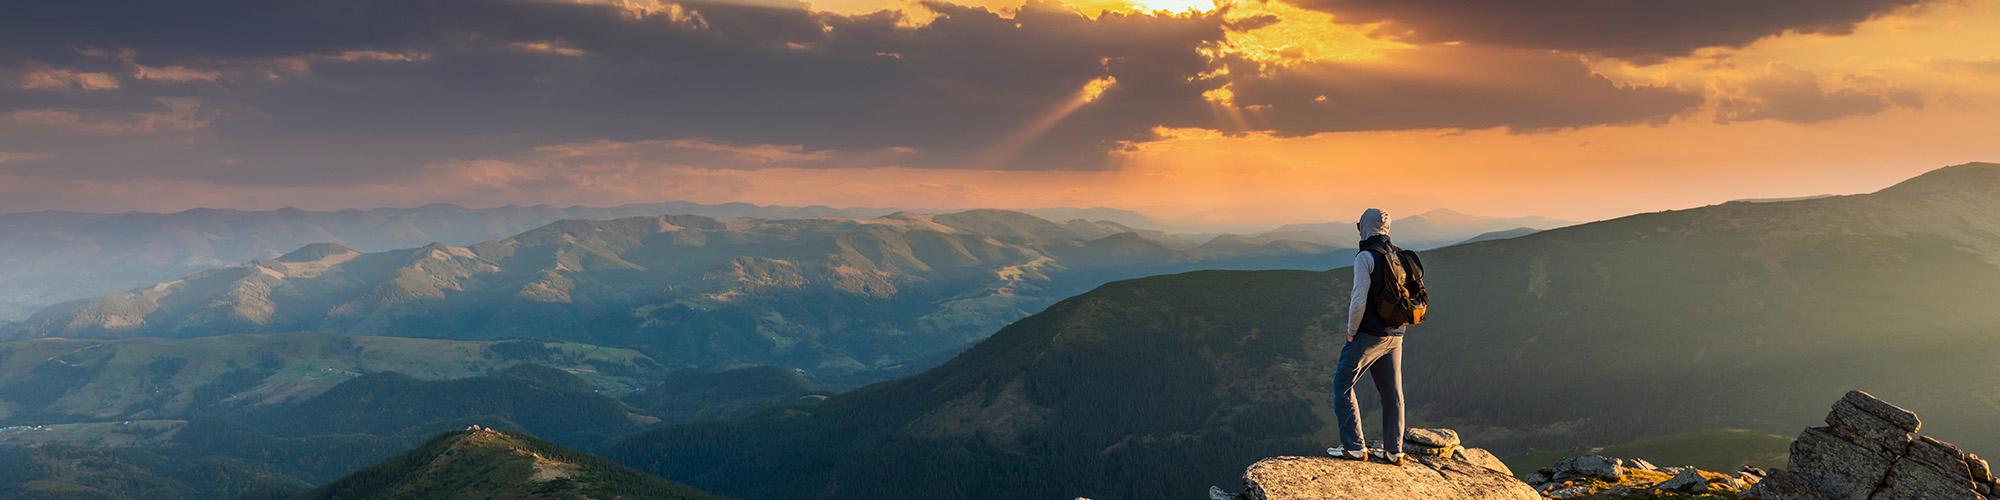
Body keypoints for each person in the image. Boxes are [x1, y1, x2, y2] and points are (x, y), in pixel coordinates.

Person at [1329, 208, 1410, 465]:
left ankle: (1354, 447)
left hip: (1370, 334)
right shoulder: (1396, 254)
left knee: (1343, 385)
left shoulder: (1366, 256)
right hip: (1396, 333)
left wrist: (1352, 331)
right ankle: (1394, 451)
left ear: (1365, 227)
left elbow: (1358, 301)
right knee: (1392, 392)